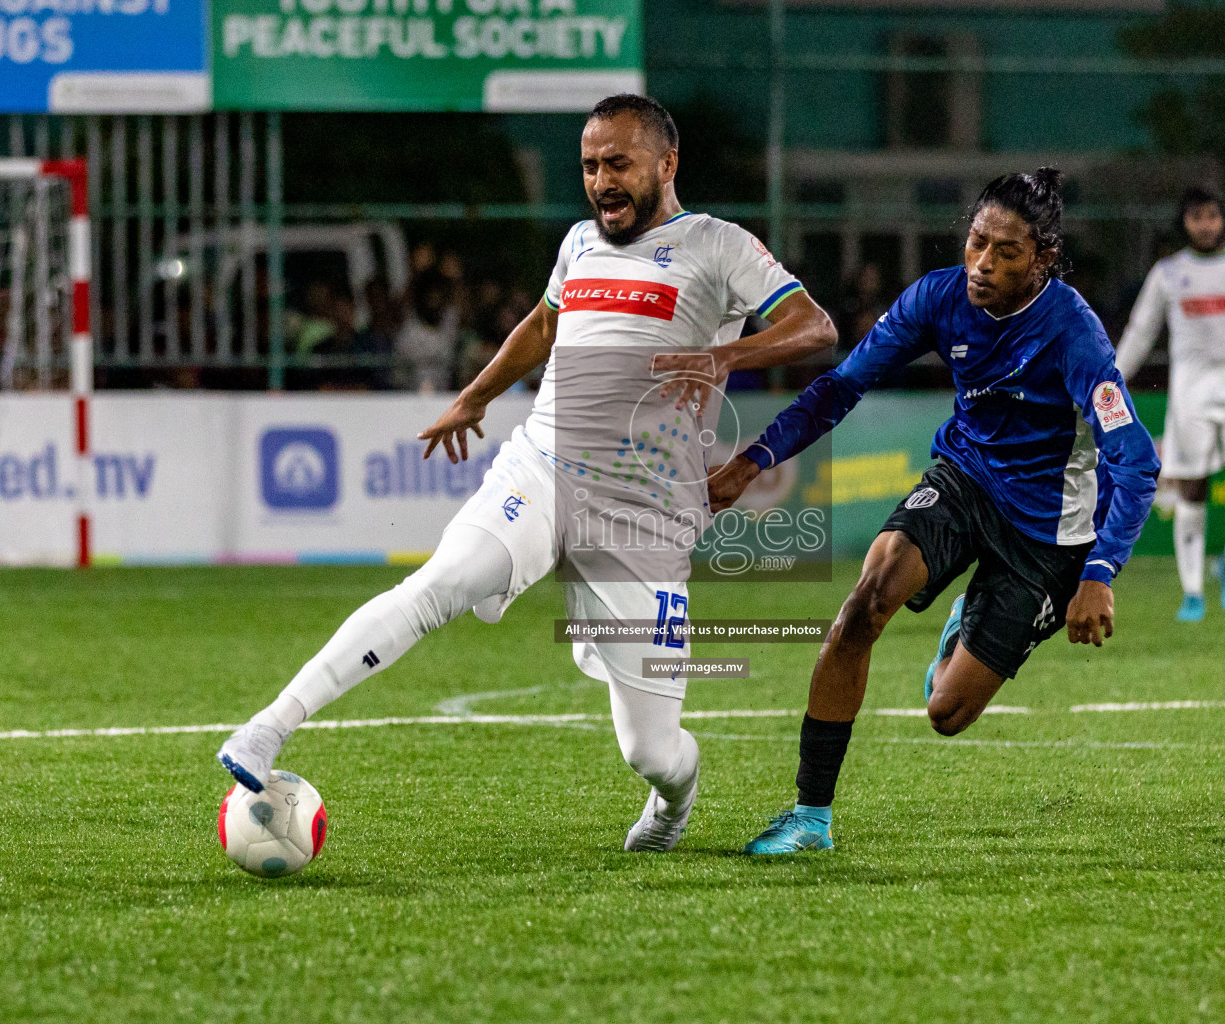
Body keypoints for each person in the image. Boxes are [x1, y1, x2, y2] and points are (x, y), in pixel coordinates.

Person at [216, 94, 838, 851]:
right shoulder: (579, 242)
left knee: (651, 752)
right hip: (543, 464)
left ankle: (675, 803)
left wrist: (723, 355)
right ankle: (266, 729)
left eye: (619, 163)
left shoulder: (717, 244)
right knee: (443, 582)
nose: (602, 181)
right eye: (589, 166)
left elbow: (817, 327)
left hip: (644, 512)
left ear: (666, 164)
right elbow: (544, 324)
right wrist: (474, 398)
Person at [707, 169, 1159, 854]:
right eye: (977, 241)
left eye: (1005, 251)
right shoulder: (939, 298)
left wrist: (1100, 572)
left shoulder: (1074, 334)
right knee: (864, 604)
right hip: (965, 479)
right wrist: (756, 457)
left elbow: (1134, 459)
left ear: (1042, 258)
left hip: (1049, 535)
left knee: (945, 714)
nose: (982, 263)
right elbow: (843, 385)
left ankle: (961, 628)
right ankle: (809, 818)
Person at [1114, 186, 1225, 621]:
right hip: (1191, 393)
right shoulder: (1168, 273)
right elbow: (1140, 332)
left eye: (1212, 216)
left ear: (1224, 219)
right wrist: (1109, 380)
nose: (1205, 225)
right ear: (1184, 223)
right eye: (1196, 217)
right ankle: (1192, 592)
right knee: (1193, 488)